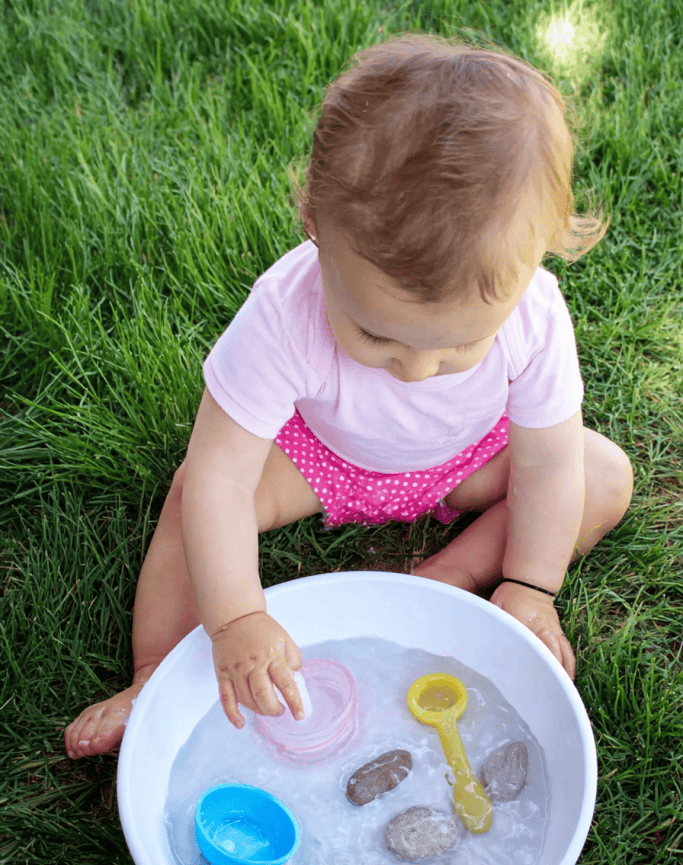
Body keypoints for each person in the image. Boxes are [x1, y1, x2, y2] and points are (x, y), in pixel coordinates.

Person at [65, 33, 633, 759]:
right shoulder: (282, 311)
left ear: (539, 256)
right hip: (321, 457)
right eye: (374, 337)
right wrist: (237, 618)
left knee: (602, 475)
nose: (416, 372)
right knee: (191, 500)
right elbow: (220, 475)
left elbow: (549, 466)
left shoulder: (534, 311)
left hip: (468, 458)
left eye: (461, 346)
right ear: (314, 227)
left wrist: (529, 585)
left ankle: (439, 584)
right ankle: (156, 677)